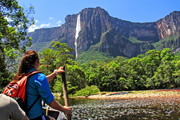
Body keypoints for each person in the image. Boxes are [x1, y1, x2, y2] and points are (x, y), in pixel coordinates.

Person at [12, 50, 72, 120]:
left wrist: (56, 73)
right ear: (37, 60)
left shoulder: (21, 76)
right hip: (34, 117)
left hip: (20, 117)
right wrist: (65, 110)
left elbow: (42, 81)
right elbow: (50, 101)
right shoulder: (38, 76)